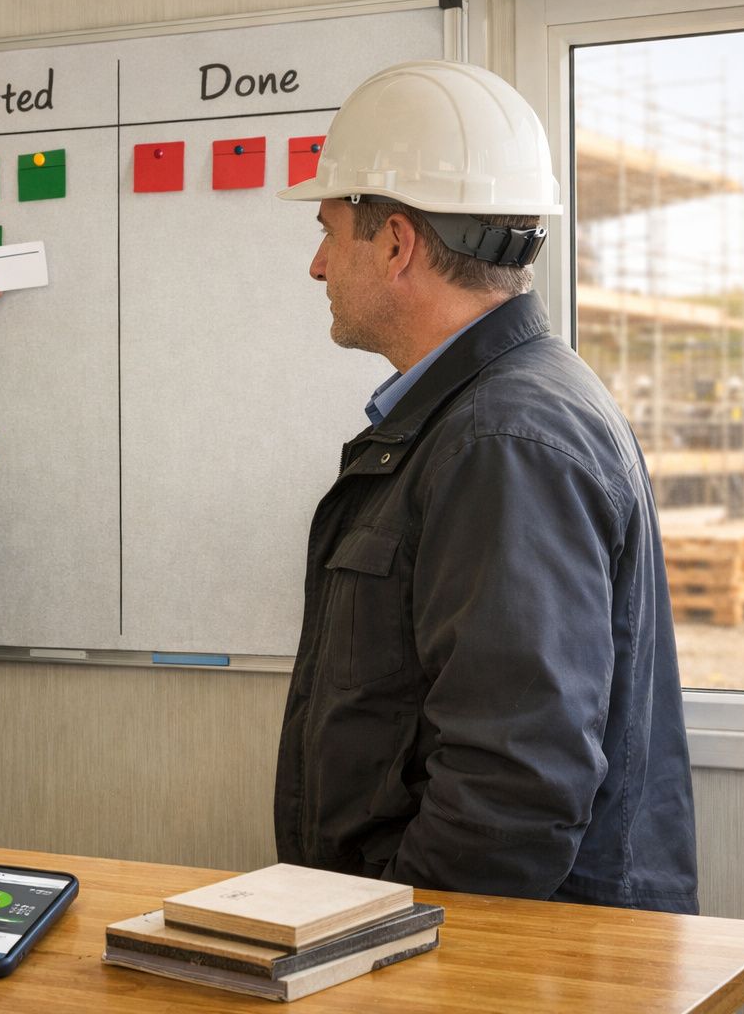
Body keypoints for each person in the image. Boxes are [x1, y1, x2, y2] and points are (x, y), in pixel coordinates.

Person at [271, 59, 698, 913]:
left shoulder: (501, 440)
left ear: (396, 243)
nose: (317, 265)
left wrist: (401, 939)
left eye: (329, 231)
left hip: (495, 955)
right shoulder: (495, 413)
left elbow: (512, 788)